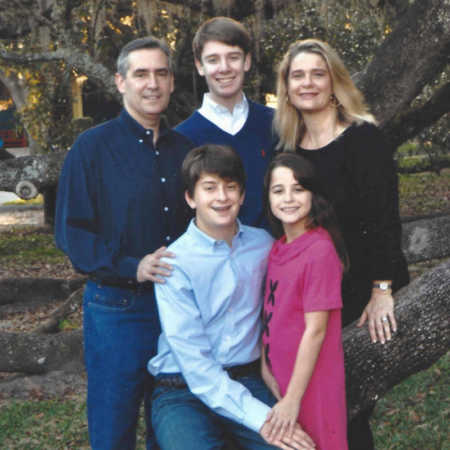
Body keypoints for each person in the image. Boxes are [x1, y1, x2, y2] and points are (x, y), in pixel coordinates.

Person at [55, 36, 193, 449]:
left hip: (179, 309)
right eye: (141, 74)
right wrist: (131, 265)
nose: (152, 83)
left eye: (161, 73)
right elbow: (72, 232)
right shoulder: (91, 149)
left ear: (171, 82)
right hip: (117, 310)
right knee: (113, 428)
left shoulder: (186, 151)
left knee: (170, 426)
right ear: (120, 82)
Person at [273, 38, 409, 449]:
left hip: (358, 291)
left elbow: (384, 217)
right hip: (309, 294)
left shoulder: (363, 138)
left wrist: (381, 289)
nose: (308, 83)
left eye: (318, 74)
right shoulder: (289, 149)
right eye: (298, 75)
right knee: (314, 404)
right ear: (287, 86)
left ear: (334, 82)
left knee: (346, 405)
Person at [148, 144, 315, 450]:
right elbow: (196, 365)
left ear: (242, 195)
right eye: (209, 188)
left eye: (230, 187)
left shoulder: (263, 246)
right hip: (180, 387)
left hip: (247, 378)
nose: (222, 197)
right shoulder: (174, 264)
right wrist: (262, 419)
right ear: (190, 197)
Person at [261, 152, 348, 450]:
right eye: (278, 190)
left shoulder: (319, 250)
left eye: (298, 189)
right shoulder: (279, 247)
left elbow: (316, 330)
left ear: (313, 194)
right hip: (279, 377)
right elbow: (271, 312)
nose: (288, 198)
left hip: (311, 384)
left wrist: (292, 400)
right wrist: (264, 363)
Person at [175, 16, 274, 226]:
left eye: (233, 57)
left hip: (275, 254)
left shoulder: (276, 124)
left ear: (246, 61)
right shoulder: (181, 138)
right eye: (213, 60)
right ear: (199, 66)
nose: (224, 68)